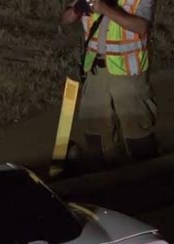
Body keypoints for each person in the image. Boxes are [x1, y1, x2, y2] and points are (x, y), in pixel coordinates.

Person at [61, 0, 158, 169]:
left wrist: (105, 9)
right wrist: (77, 9)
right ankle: (104, 172)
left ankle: (146, 173)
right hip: (95, 70)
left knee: (136, 127)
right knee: (95, 127)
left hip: (128, 72)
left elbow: (141, 27)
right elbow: (66, 18)